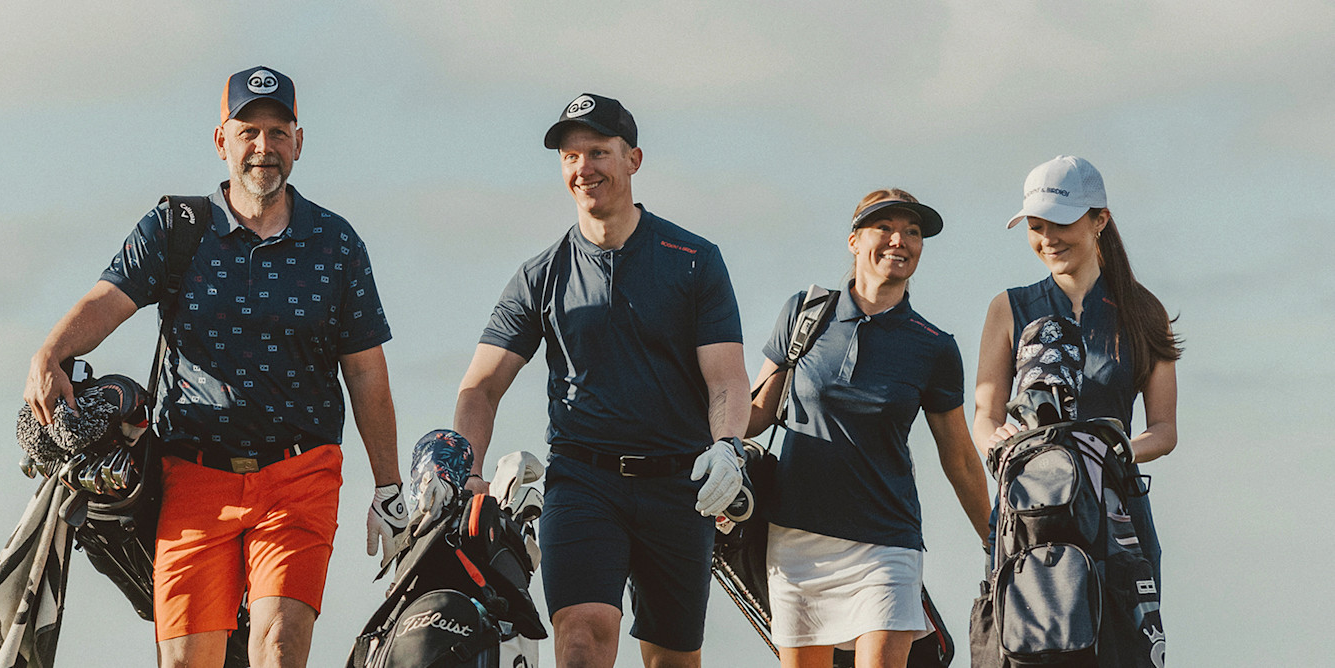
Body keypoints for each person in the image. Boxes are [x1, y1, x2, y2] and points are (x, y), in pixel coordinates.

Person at [22, 66, 406, 668]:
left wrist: (389, 489)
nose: (263, 148)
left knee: (278, 647)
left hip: (299, 475)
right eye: (248, 132)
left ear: (298, 143)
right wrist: (49, 352)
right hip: (194, 476)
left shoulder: (336, 244)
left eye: (278, 133)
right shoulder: (176, 229)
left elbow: (366, 373)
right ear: (222, 140)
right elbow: (109, 299)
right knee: (185, 662)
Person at [441, 93, 750, 668]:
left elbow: (726, 378)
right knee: (581, 638)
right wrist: (470, 473)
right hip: (584, 483)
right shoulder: (540, 275)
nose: (584, 168)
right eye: (571, 156)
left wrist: (728, 447)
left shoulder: (693, 260)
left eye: (599, 152)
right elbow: (479, 388)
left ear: (633, 159)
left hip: (679, 484)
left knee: (672, 660)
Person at [746, 190, 991, 668]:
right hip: (797, 540)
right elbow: (756, 414)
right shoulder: (804, 313)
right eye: (885, 228)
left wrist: (995, 537)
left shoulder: (934, 346)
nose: (899, 240)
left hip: (886, 541)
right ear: (855, 241)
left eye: (913, 232)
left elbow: (958, 455)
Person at [972, 155, 1180, 581]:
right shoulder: (1008, 308)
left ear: (1099, 219)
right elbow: (985, 416)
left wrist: (1112, 449)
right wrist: (996, 440)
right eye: (1036, 226)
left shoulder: (1144, 312)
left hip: (1118, 514)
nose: (1047, 239)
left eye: (1060, 223)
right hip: (1031, 514)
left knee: (1127, 645)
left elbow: (1164, 430)